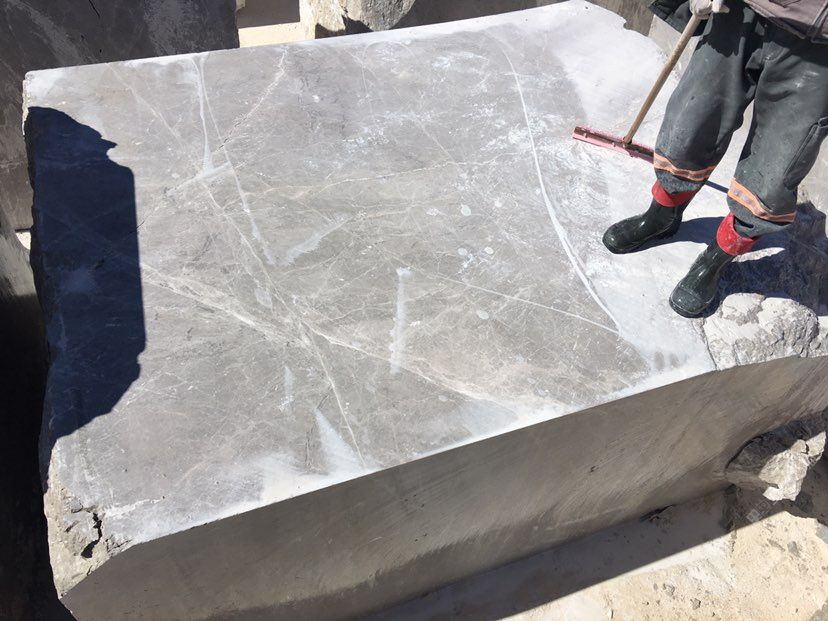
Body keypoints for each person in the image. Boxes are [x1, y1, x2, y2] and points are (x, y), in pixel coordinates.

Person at [602, 0, 828, 317]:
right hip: (741, 11)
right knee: (690, 123)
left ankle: (715, 259)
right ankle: (661, 217)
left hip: (820, 48)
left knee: (776, 172)